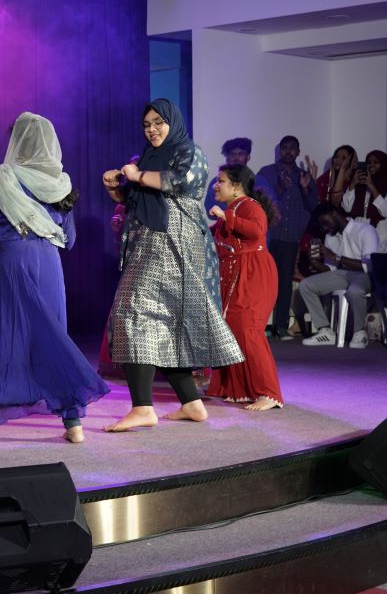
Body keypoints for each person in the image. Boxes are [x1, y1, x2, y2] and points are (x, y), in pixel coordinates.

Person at [0, 113, 108, 451]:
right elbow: (70, 240)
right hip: (48, 267)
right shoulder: (60, 185)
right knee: (50, 340)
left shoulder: (1, 180)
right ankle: (74, 424)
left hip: (9, 265)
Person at [102, 99, 243, 433]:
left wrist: (137, 174)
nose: (152, 130)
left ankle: (142, 407)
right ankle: (191, 403)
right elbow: (136, 200)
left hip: (171, 242)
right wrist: (116, 190)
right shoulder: (149, 157)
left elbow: (182, 182)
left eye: (158, 123)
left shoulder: (189, 151)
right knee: (165, 321)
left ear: (172, 122)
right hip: (149, 242)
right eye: (146, 125)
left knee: (131, 312)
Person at [206, 165, 283, 410]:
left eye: (221, 181)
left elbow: (258, 230)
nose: (215, 186)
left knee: (249, 329)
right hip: (234, 274)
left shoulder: (249, 206)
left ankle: (269, 393)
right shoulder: (231, 211)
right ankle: (237, 389)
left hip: (253, 273)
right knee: (234, 330)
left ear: (237, 186)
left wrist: (226, 217)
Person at [255, 136, 320, 338]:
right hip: (268, 236)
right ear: (279, 150)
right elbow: (258, 202)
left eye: (292, 148)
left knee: (284, 283)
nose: (288, 151)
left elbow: (314, 207)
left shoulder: (305, 176)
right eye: (285, 148)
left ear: (298, 151)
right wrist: (280, 188)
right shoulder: (266, 173)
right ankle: (258, 326)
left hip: (291, 238)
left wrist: (306, 188)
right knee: (263, 282)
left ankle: (281, 326)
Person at [300, 202, 380, 348]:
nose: (325, 228)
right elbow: (331, 270)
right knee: (306, 285)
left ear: (334, 214)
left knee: (354, 290)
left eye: (325, 223)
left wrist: (336, 257)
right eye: (322, 226)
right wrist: (315, 263)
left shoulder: (365, 230)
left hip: (366, 275)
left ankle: (359, 333)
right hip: (343, 274)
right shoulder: (330, 237)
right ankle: (325, 331)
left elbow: (369, 266)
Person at [342, 150, 387, 251]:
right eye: (369, 162)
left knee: (379, 260)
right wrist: (352, 184)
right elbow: (347, 208)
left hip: (381, 232)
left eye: (376, 162)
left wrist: (371, 186)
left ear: (383, 164)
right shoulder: (359, 185)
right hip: (360, 231)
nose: (371, 165)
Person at [203, 137, 252, 215]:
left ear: (248, 157)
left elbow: (267, 208)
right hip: (225, 222)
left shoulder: (258, 181)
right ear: (227, 158)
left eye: (240, 154)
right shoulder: (217, 182)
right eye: (233, 154)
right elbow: (210, 210)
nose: (236, 158)